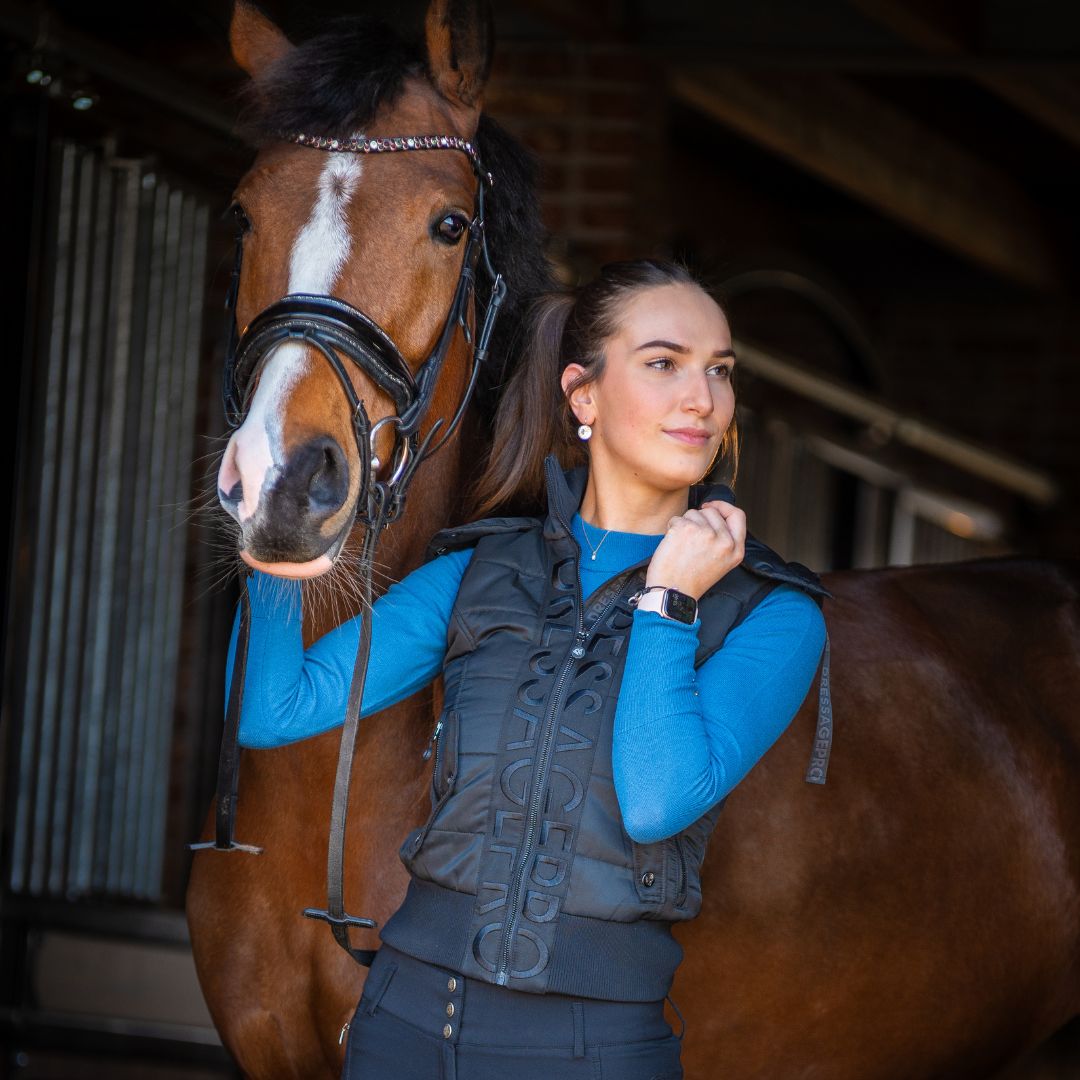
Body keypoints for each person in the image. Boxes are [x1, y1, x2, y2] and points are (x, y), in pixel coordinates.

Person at [233, 259, 827, 1079]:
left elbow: (656, 802)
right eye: (665, 364)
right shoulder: (480, 571)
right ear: (583, 395)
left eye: (719, 371)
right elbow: (276, 707)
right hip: (403, 1022)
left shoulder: (771, 614)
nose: (703, 398)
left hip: (592, 1050)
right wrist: (273, 528)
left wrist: (670, 602)